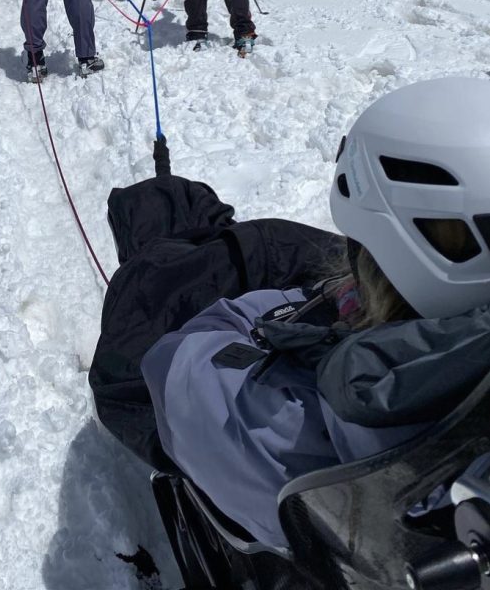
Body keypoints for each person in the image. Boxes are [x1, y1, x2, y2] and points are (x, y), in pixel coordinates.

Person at [91, 77, 490, 552]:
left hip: (248, 398)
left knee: (166, 278)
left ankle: (166, 217)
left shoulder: (299, 427)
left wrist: (288, 315)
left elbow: (177, 362)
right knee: (259, 244)